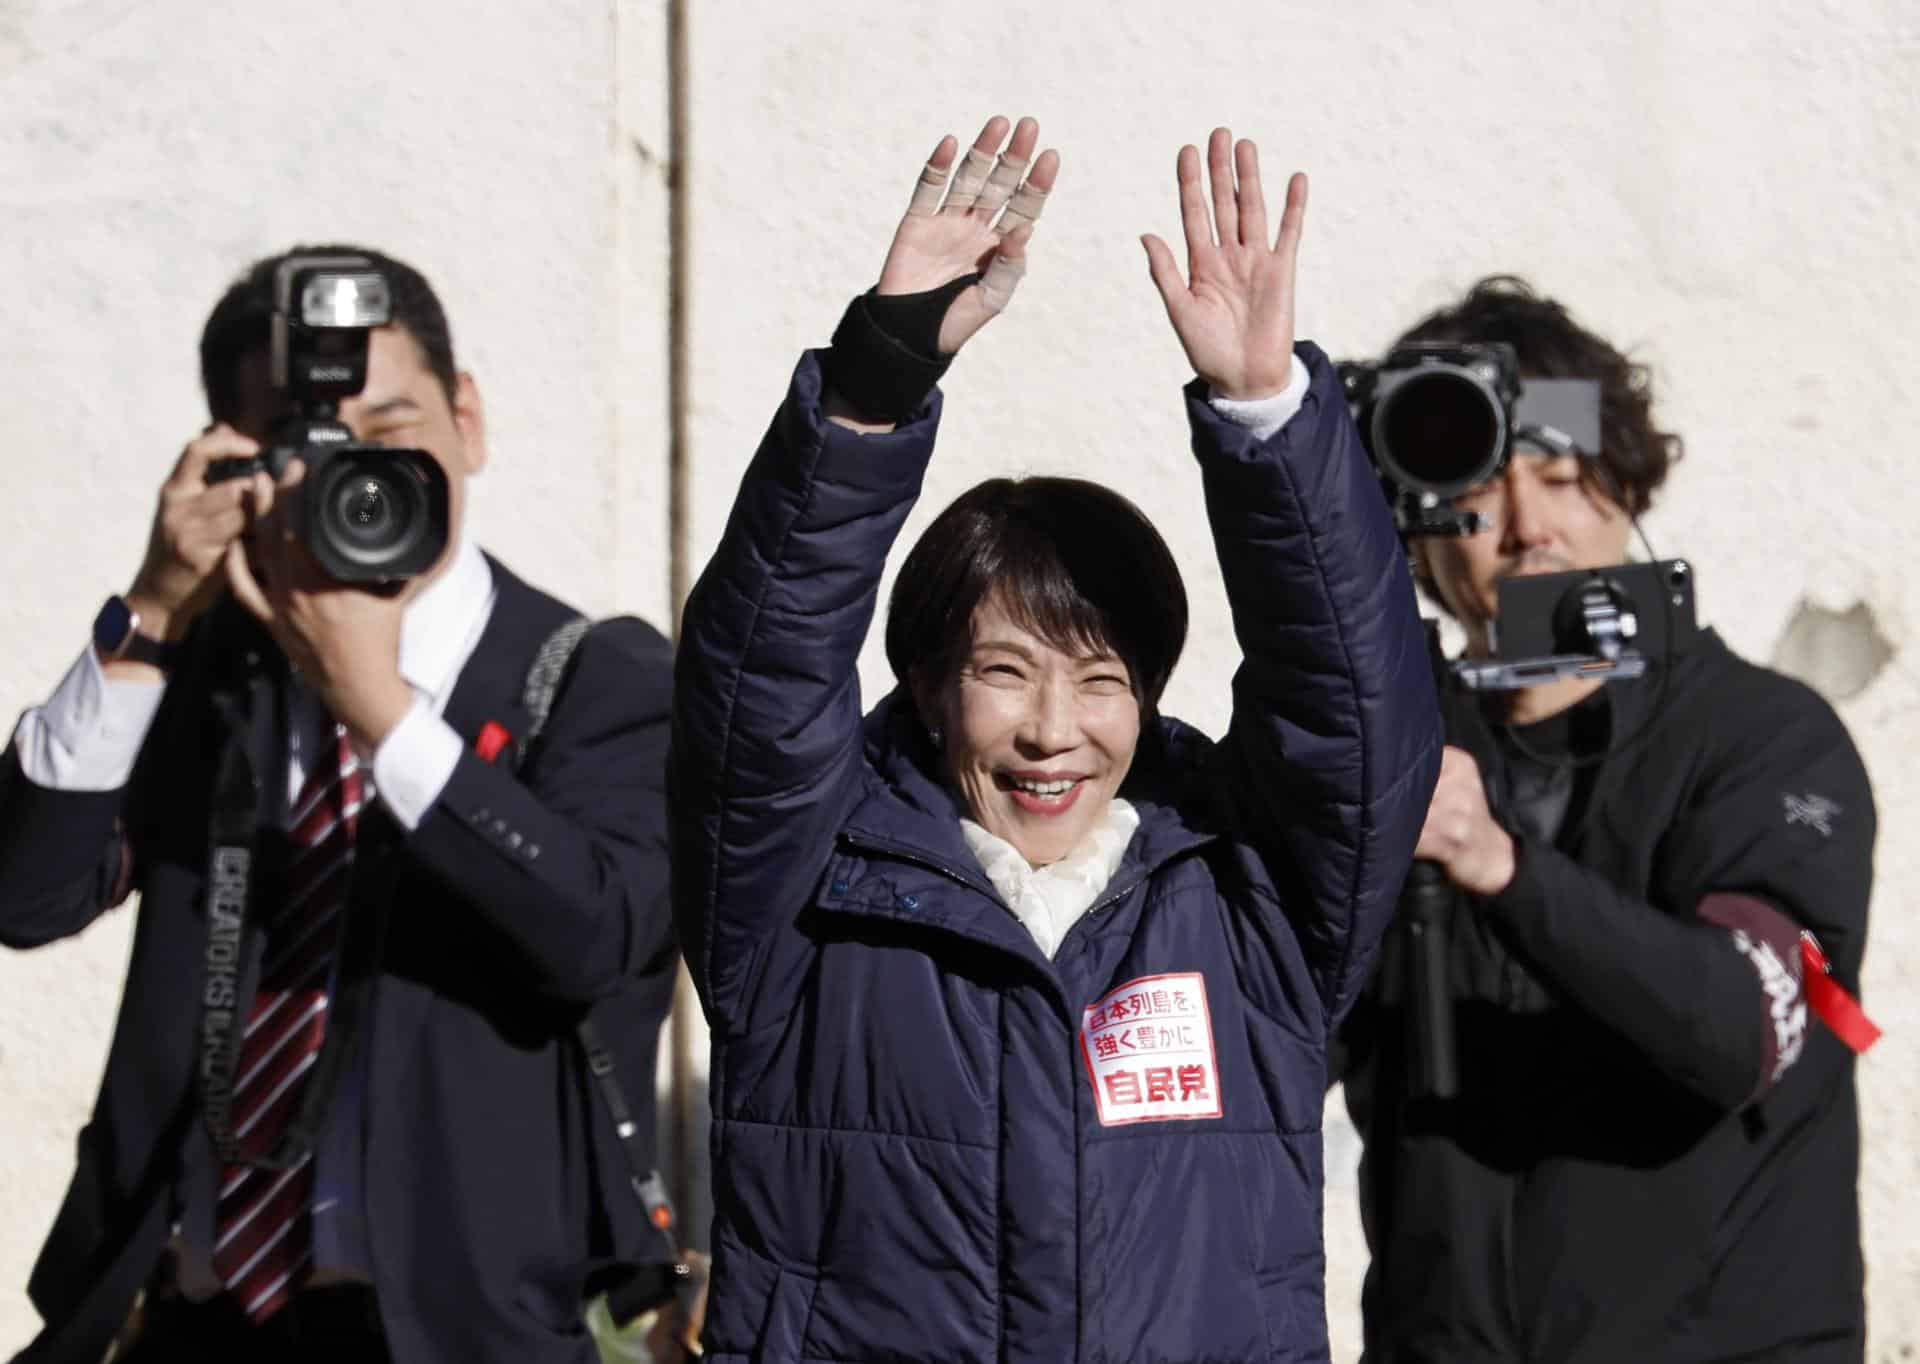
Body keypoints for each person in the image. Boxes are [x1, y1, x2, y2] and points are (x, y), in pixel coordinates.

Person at [669, 114, 1442, 1363]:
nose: (1051, 733)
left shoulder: (1250, 895)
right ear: (925, 684)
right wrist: (872, 382)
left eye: (1098, 679)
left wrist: (1267, 418)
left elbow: (1354, 711)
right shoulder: (801, 890)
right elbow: (753, 682)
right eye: (1002, 672)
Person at [0, 246, 678, 1364]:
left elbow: (598, 936)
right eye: (309, 445)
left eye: (395, 425)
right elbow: (23, 895)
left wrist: (382, 710)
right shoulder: (207, 669)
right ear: (234, 460)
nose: (362, 476)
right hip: (184, 1318)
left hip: (455, 1333)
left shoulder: (593, 675)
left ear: (469, 418)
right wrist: (154, 611)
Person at [1333, 277, 1879, 1363]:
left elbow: (1744, 1027)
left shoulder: (1763, 735)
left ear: (1625, 484)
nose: (1532, 526)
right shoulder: (1386, 757)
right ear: (1419, 522)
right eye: (1483, 489)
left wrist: (1497, 864)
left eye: (1565, 475)